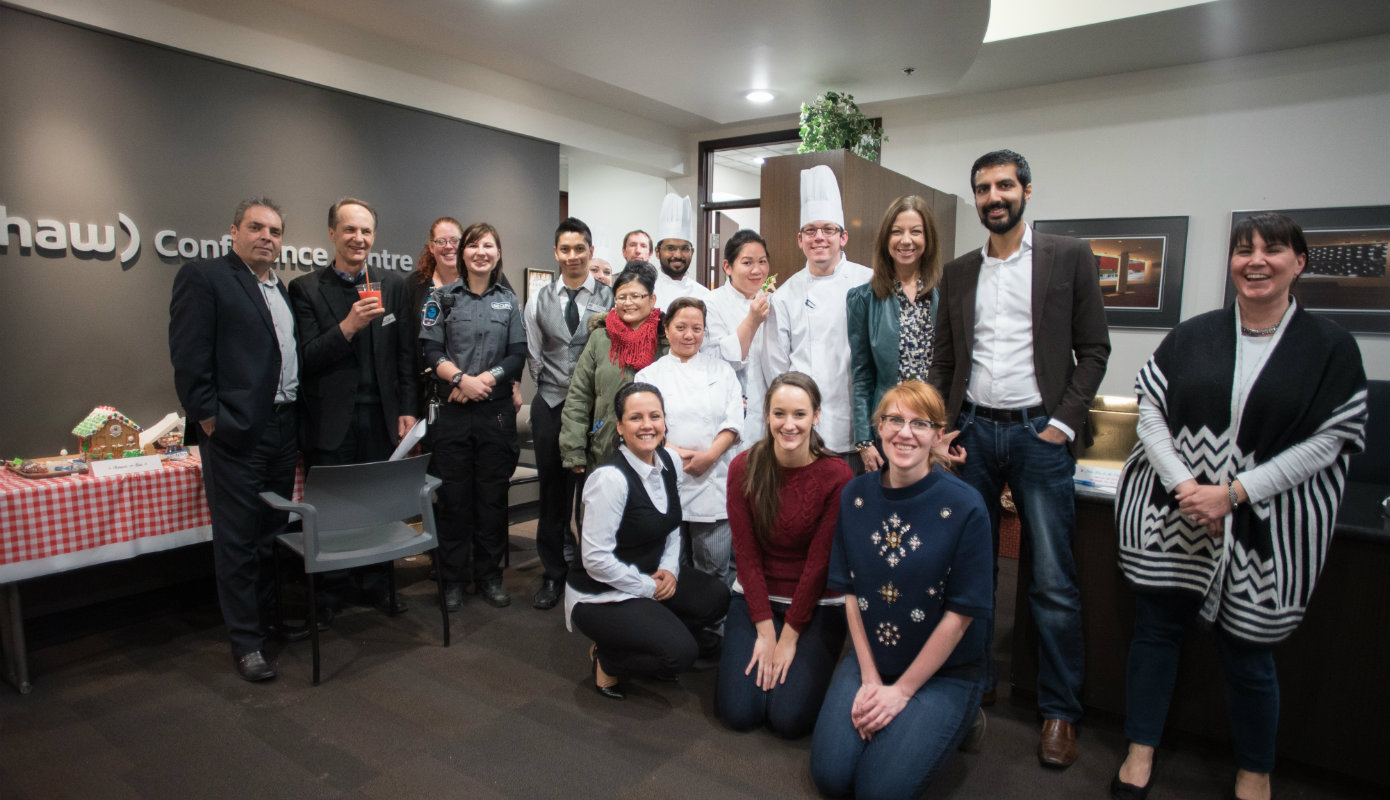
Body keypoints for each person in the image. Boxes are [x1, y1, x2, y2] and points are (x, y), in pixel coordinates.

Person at [1110, 213, 1367, 800]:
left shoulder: (1330, 347)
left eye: (1272, 250)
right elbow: (1150, 410)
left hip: (1264, 523)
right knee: (1156, 632)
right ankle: (1140, 749)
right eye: (1243, 250)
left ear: (1298, 263)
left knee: (1249, 652)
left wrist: (1234, 494)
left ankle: (1255, 770)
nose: (1255, 261)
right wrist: (1184, 486)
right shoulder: (1193, 334)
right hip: (1173, 515)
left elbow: (1330, 441)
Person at [929, 149, 1110, 767]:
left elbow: (1094, 350)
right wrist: (941, 429)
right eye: (982, 188)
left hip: (1041, 435)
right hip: (974, 434)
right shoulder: (957, 272)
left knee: (1053, 579)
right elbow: (946, 362)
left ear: (1027, 192)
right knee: (971, 573)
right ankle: (973, 686)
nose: (993, 197)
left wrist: (1063, 423)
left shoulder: (1069, 257)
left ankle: (1059, 710)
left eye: (1004, 185)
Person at [810, 381, 993, 798]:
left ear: (937, 435)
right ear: (878, 427)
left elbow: (960, 615)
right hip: (873, 656)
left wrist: (902, 693)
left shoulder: (966, 506)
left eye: (919, 423)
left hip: (943, 672)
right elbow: (849, 591)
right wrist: (871, 677)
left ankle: (964, 716)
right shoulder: (855, 495)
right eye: (894, 419)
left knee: (878, 791)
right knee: (832, 777)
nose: (904, 432)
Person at [169, 198, 302, 682]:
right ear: (233, 231)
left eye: (275, 230)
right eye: (256, 227)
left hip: (283, 429)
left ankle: (269, 623)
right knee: (237, 540)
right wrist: (209, 421)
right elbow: (188, 358)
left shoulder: (278, 287)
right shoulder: (205, 278)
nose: (267, 236)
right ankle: (246, 642)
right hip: (237, 433)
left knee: (271, 533)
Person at [288, 197, 418, 623]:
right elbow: (305, 357)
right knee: (333, 509)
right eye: (349, 230)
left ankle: (378, 584)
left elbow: (404, 356)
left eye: (365, 231)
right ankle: (331, 591)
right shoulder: (305, 288)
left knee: (377, 503)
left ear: (374, 236)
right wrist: (348, 326)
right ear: (331, 234)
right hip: (330, 420)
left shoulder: (393, 285)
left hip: (380, 417)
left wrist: (406, 408)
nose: (358, 238)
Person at [566, 382, 732, 700]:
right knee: (681, 655)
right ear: (619, 425)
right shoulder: (610, 480)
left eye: (654, 416)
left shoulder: (668, 460)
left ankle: (649, 633)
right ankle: (608, 659)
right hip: (601, 592)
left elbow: (671, 524)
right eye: (635, 418)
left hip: (649, 575)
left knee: (716, 597)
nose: (647, 425)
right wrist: (647, 588)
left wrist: (669, 570)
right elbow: (596, 560)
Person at [718, 372, 854, 739]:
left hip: (817, 604)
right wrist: (764, 630)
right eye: (779, 414)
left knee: (788, 720)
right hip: (755, 596)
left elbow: (819, 563)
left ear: (816, 416)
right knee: (739, 712)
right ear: (766, 415)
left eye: (799, 414)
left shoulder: (836, 474)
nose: (789, 424)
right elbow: (745, 554)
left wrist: (789, 635)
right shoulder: (743, 467)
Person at [420, 222, 527, 610]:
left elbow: (517, 354)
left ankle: (489, 576)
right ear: (461, 253)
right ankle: (451, 580)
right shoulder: (441, 298)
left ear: (498, 253)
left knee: (492, 500)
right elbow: (430, 351)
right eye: (473, 245)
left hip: (494, 414)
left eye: (489, 245)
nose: (481, 252)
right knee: (453, 500)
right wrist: (462, 380)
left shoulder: (509, 301)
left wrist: (487, 379)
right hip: (452, 412)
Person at [522, 217, 615, 610]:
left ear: (591, 252)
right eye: (566, 249)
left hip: (598, 411)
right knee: (552, 496)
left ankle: (591, 572)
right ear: (556, 253)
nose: (573, 256)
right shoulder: (539, 299)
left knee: (595, 495)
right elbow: (534, 354)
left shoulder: (612, 298)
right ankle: (554, 573)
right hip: (552, 404)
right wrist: (556, 388)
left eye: (581, 249)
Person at [764, 165, 872, 464]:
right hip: (803, 432)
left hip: (858, 429)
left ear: (844, 237)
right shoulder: (785, 295)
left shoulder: (870, 283)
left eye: (828, 229)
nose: (819, 238)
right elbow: (777, 369)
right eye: (811, 231)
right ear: (800, 239)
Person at [635, 297, 743, 590]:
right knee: (669, 568)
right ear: (666, 329)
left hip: (713, 479)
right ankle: (674, 630)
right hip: (664, 478)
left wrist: (709, 456)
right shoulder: (649, 375)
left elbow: (733, 421)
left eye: (697, 328)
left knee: (714, 570)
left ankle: (714, 632)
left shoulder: (722, 371)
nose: (689, 334)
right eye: (681, 327)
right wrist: (672, 452)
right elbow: (644, 424)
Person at [847, 195, 942, 473]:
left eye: (916, 231)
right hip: (888, 429)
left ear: (928, 238)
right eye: (897, 231)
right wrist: (864, 441)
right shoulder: (863, 298)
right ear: (886, 239)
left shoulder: (945, 294)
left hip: (935, 429)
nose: (906, 240)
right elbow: (862, 374)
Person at [559, 262, 668, 473]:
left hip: (657, 448)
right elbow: (579, 396)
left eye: (636, 296)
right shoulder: (600, 338)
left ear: (652, 299)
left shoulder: (666, 338)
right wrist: (574, 450)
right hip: (605, 447)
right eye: (621, 297)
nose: (628, 303)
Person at [703, 229, 776, 448]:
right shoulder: (710, 303)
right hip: (731, 410)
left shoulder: (775, 301)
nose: (757, 270)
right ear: (727, 267)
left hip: (771, 409)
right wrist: (752, 321)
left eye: (762, 261)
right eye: (747, 262)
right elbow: (717, 362)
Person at [652, 193, 710, 312]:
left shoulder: (705, 296)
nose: (678, 255)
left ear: (692, 252)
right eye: (671, 248)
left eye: (684, 249)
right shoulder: (644, 291)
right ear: (657, 252)